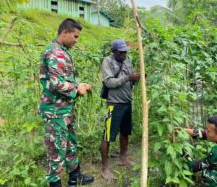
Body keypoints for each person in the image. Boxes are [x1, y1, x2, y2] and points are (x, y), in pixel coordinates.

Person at [38, 18, 94, 187]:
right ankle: (55, 183)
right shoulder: (54, 52)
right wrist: (76, 89)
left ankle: (74, 177)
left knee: (70, 143)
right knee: (56, 149)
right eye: (75, 36)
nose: (76, 40)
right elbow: (56, 83)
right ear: (65, 33)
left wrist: (79, 85)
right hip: (55, 111)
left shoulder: (62, 50)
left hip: (65, 109)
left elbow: (64, 79)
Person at [100, 39, 140, 181]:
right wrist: (128, 77)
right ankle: (104, 168)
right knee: (108, 136)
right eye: (121, 52)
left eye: (125, 52)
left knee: (125, 132)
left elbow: (130, 80)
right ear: (114, 51)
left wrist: (136, 78)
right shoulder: (107, 61)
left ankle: (123, 159)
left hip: (127, 102)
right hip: (114, 104)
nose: (124, 54)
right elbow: (109, 82)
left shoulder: (127, 60)